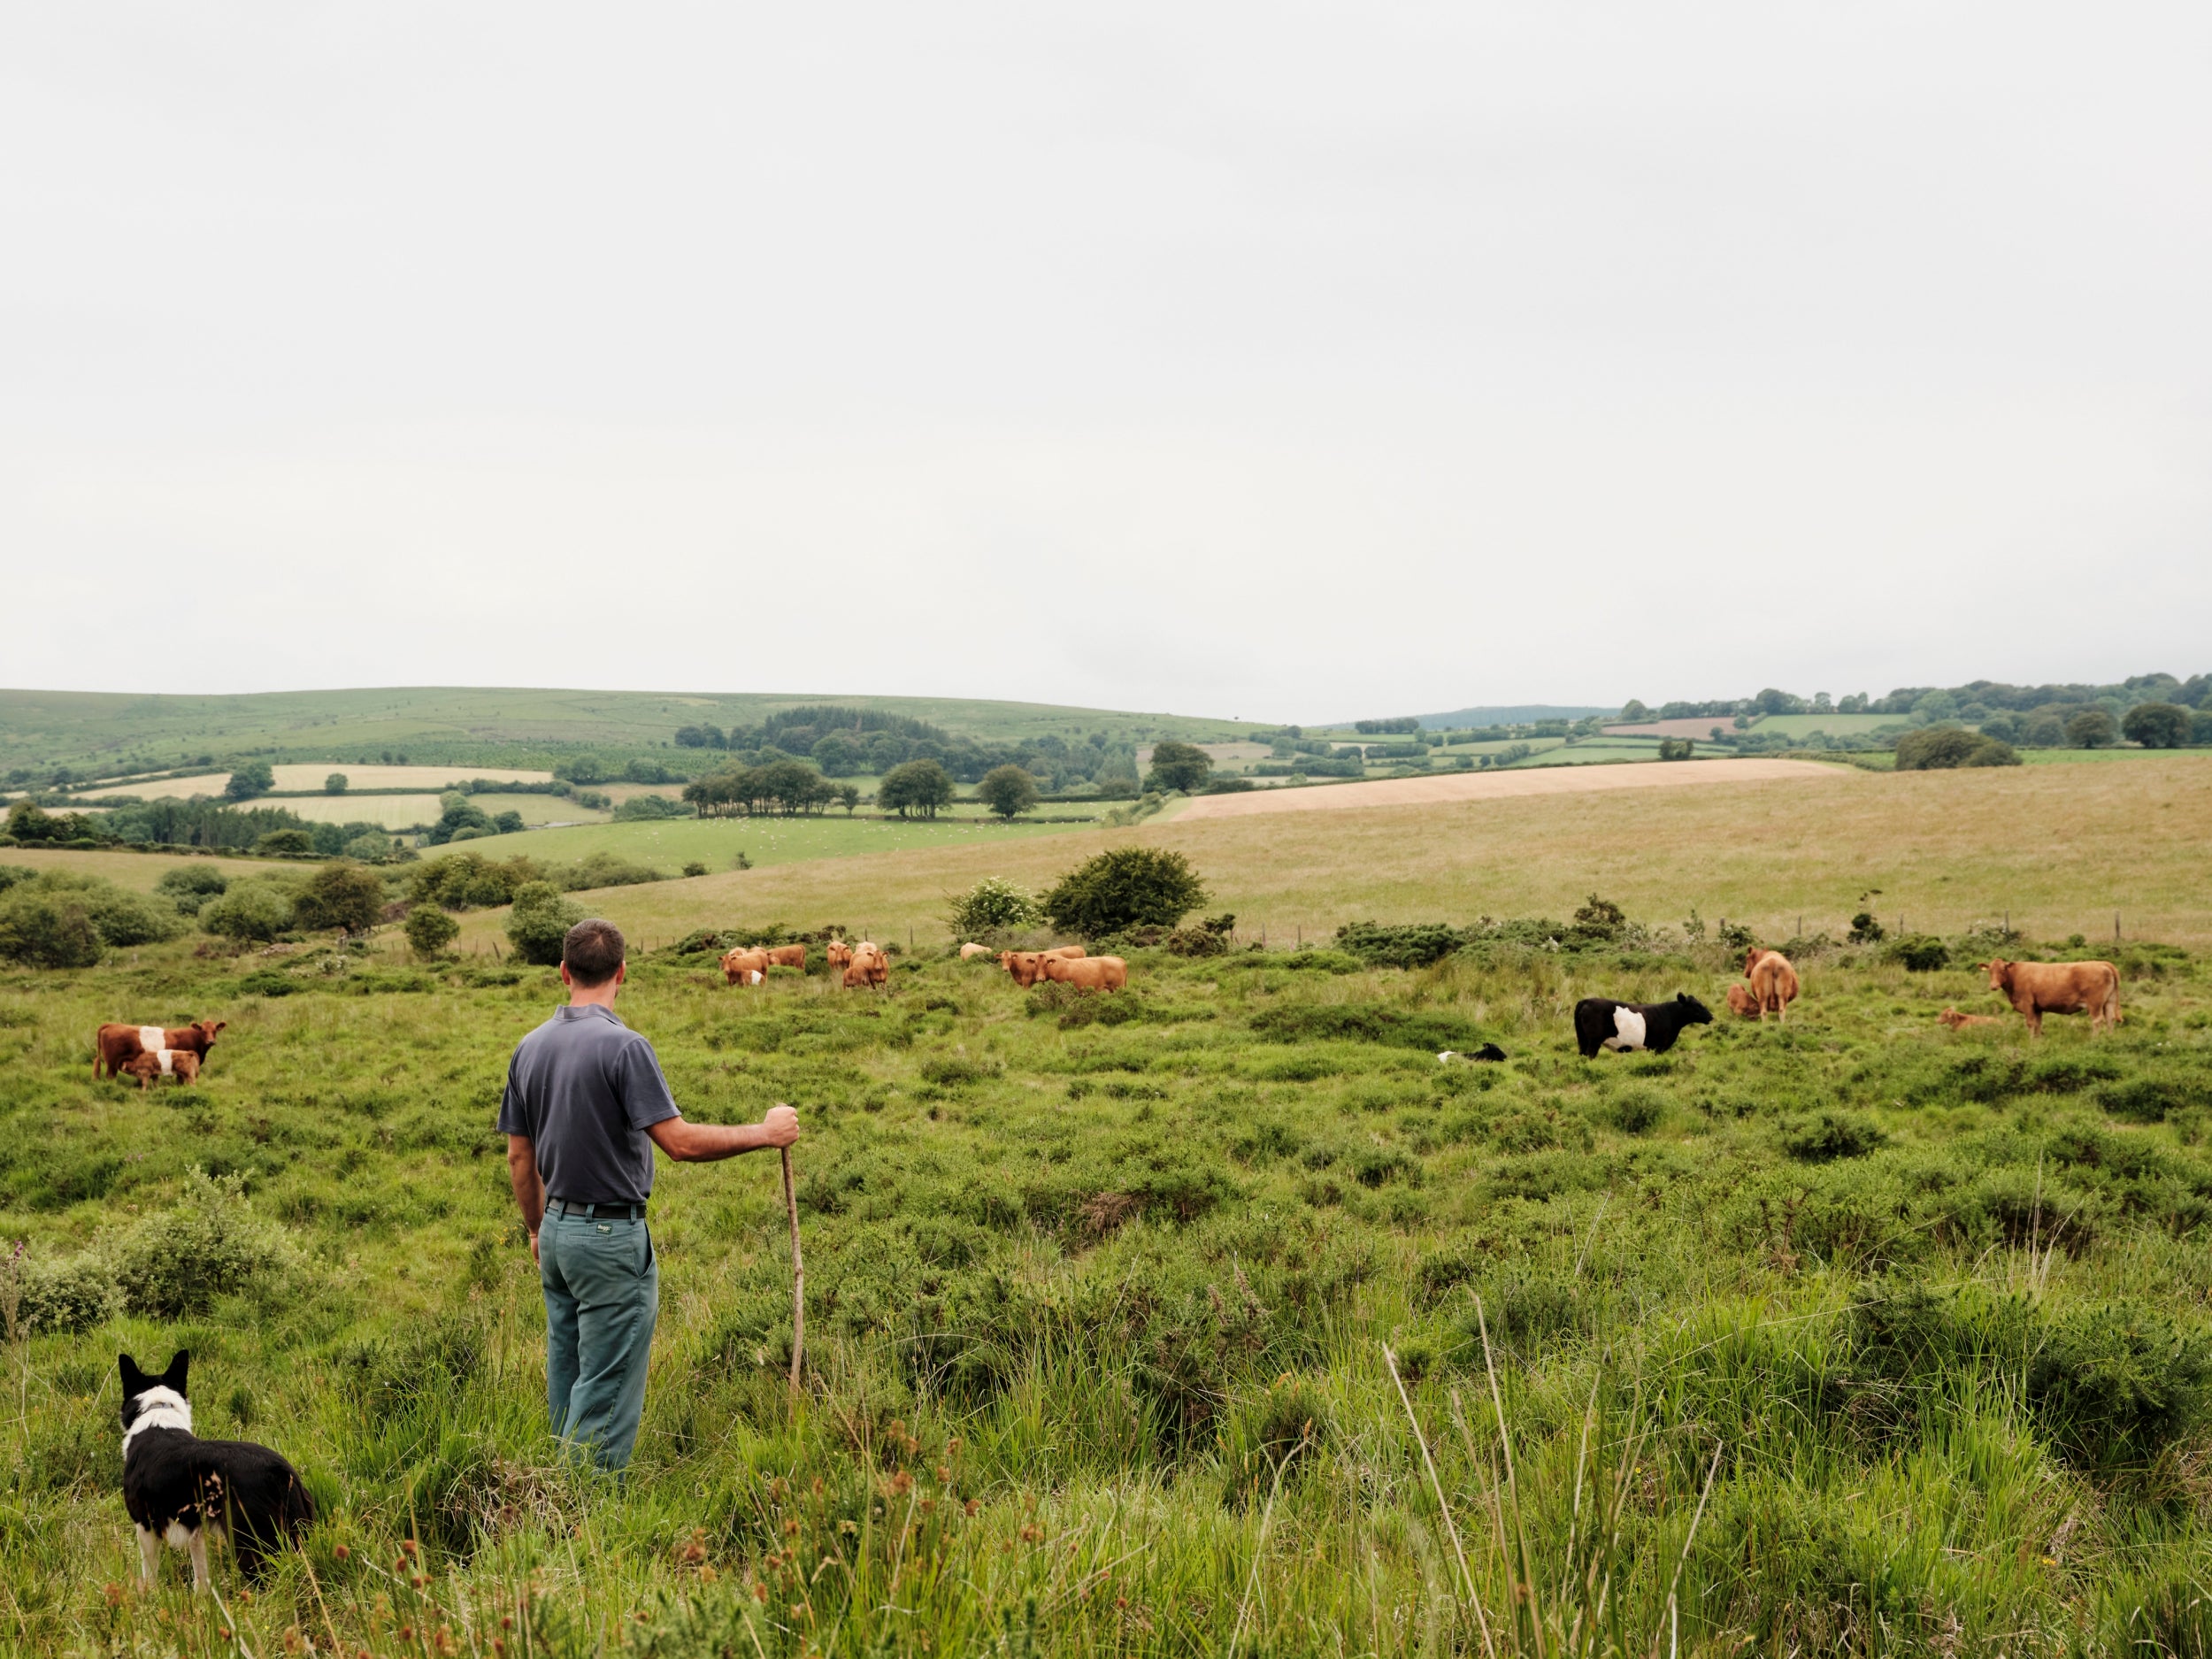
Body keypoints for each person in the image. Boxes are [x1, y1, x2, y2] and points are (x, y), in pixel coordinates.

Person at [498, 917, 798, 1470]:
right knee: (606, 1389)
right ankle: (585, 1516)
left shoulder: (529, 1047)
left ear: (563, 972)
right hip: (610, 1236)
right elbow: (679, 1144)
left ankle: (549, 1499)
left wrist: (538, 1229)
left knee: (568, 1372)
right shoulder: (625, 1047)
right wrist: (766, 1132)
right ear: (623, 973)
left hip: (558, 1232)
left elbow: (520, 1156)